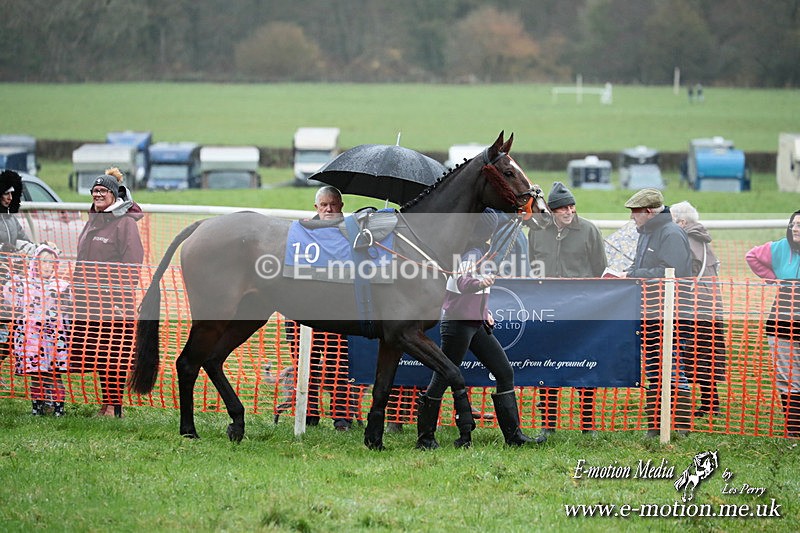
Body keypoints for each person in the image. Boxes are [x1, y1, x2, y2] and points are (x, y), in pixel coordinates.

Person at [416, 210, 541, 448]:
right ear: (486, 231)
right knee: (442, 378)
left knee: (504, 372)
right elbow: (463, 282)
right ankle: (425, 438)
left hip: (475, 322)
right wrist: (480, 282)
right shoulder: (471, 252)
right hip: (458, 325)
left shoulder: (479, 251)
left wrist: (485, 312)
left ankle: (513, 437)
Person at [528, 182, 607, 438]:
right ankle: (548, 425)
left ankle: (588, 424)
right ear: (551, 210)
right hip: (547, 310)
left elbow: (599, 269)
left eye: (572, 206)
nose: (569, 211)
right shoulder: (537, 233)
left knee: (584, 366)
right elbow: (532, 267)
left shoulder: (589, 231)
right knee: (547, 366)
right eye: (563, 208)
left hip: (581, 311)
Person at [70, 168, 144, 418]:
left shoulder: (125, 225)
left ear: (114, 195)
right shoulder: (93, 222)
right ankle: (106, 404)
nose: (97, 194)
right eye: (95, 190)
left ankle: (115, 406)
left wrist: (120, 300)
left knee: (115, 355)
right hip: (89, 303)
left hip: (114, 303)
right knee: (100, 354)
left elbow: (133, 266)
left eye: (103, 191)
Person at [620, 188, 693, 438]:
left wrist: (632, 275)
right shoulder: (647, 232)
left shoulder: (671, 234)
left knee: (672, 369)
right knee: (654, 369)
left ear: (650, 212)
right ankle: (656, 425)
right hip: (650, 311)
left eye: (635, 212)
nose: (632, 217)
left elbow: (671, 272)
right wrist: (627, 272)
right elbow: (643, 266)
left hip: (671, 313)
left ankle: (681, 426)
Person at [746, 210, 800, 438]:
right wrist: (773, 278)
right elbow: (752, 256)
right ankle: (794, 429)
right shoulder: (779, 248)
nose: (796, 229)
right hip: (783, 323)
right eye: (794, 224)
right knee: (788, 378)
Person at [671, 201, 726, 417]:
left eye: (673, 219)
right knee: (707, 355)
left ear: (682, 222)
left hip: (694, 308)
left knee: (695, 355)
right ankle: (710, 403)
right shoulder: (702, 240)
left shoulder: (686, 241)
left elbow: (683, 276)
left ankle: (701, 404)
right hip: (710, 306)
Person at [3, 244, 70, 416]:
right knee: (36, 374)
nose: (48, 266)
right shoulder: (24, 285)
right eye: (44, 262)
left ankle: (58, 409)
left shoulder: (61, 285)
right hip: (32, 337)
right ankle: (37, 408)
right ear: (35, 263)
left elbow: (69, 304)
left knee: (54, 374)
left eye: (51, 263)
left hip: (53, 337)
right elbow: (11, 298)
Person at [0, 170, 37, 388]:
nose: (10, 197)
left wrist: (39, 249)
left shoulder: (12, 219)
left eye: (13, 193)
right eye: (6, 193)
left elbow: (23, 241)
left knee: (8, 329)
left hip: (9, 283)